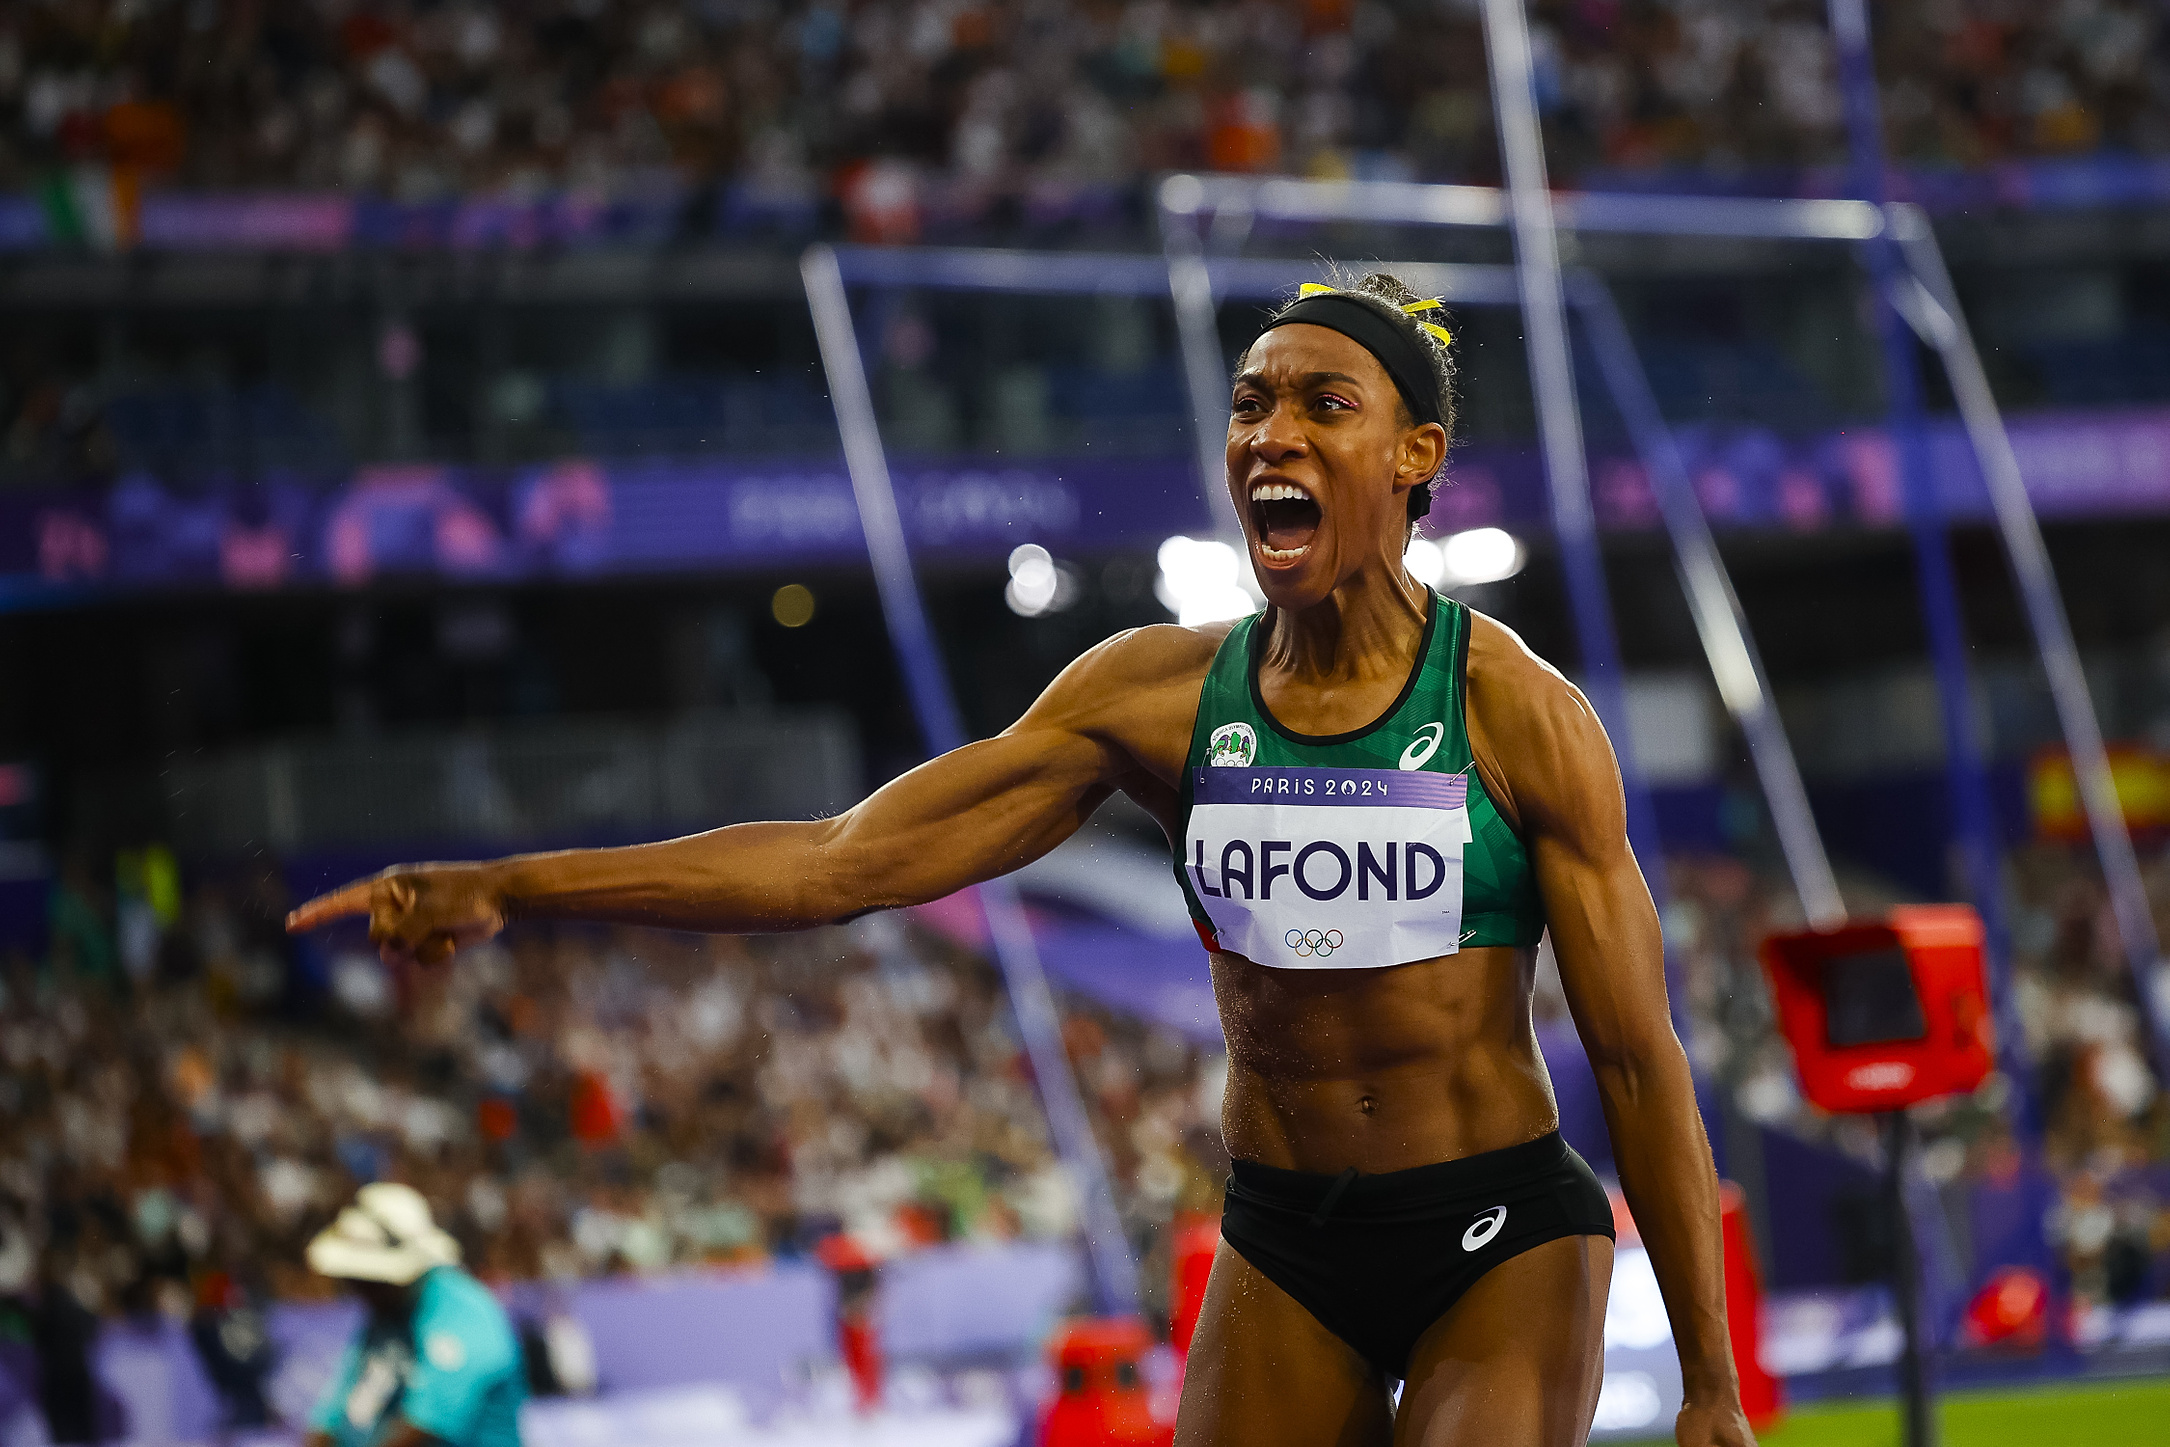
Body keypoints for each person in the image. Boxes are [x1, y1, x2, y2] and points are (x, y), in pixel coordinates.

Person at [290, 271, 1755, 1447]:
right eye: (1250, 404)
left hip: (1493, 1225)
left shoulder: (1514, 715)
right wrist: (514, 883)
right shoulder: (1153, 699)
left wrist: (1710, 1383)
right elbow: (837, 862)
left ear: (1416, 455)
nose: (1271, 435)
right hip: (1285, 1238)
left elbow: (1637, 1062)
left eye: (1325, 404)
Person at [302, 1184, 525, 1447]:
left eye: (368, 1281)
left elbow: (425, 1429)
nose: (358, 1290)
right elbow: (337, 1410)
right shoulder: (388, 1315)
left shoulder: (463, 1315)